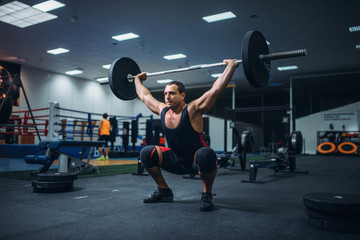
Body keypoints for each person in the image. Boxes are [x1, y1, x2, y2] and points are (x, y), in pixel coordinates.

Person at [134, 59, 239, 211]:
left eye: (171, 93)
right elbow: (144, 96)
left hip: (197, 162)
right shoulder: (162, 110)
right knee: (146, 152)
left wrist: (231, 66)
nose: (167, 97)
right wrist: (137, 79)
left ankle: (206, 194)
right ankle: (164, 191)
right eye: (165, 94)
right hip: (176, 161)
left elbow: (215, 90)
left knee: (206, 153)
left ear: (182, 95)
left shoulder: (193, 110)